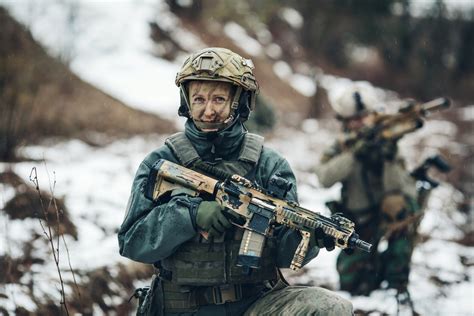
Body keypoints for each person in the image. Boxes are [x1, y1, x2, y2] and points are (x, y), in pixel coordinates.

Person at [118, 47, 353, 316]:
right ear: (186, 102)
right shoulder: (162, 162)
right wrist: (190, 215)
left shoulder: (270, 165)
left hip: (254, 306)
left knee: (330, 308)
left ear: (239, 102)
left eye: (218, 99)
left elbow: (285, 258)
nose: (208, 110)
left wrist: (310, 238)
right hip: (181, 308)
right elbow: (132, 242)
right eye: (199, 99)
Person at [315, 82, 421, 300]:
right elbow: (324, 177)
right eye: (353, 119)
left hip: (388, 213)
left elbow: (403, 186)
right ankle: (375, 268)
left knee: (402, 211)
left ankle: (396, 283)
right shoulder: (342, 146)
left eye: (364, 117)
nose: (360, 123)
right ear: (344, 122)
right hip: (359, 218)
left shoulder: (387, 138)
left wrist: (388, 155)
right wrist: (355, 155)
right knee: (351, 284)